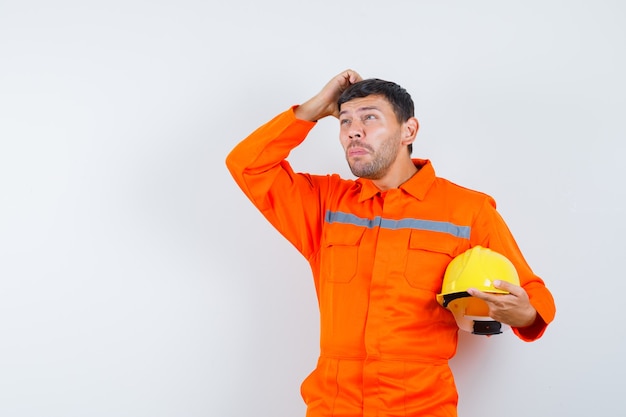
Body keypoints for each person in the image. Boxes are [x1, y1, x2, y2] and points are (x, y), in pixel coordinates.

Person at [225, 69, 556, 417]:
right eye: (345, 121)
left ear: (408, 131)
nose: (354, 130)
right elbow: (247, 165)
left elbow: (534, 294)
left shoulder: (467, 211)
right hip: (333, 406)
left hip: (421, 408)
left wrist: (524, 313)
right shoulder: (325, 206)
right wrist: (314, 108)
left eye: (370, 118)